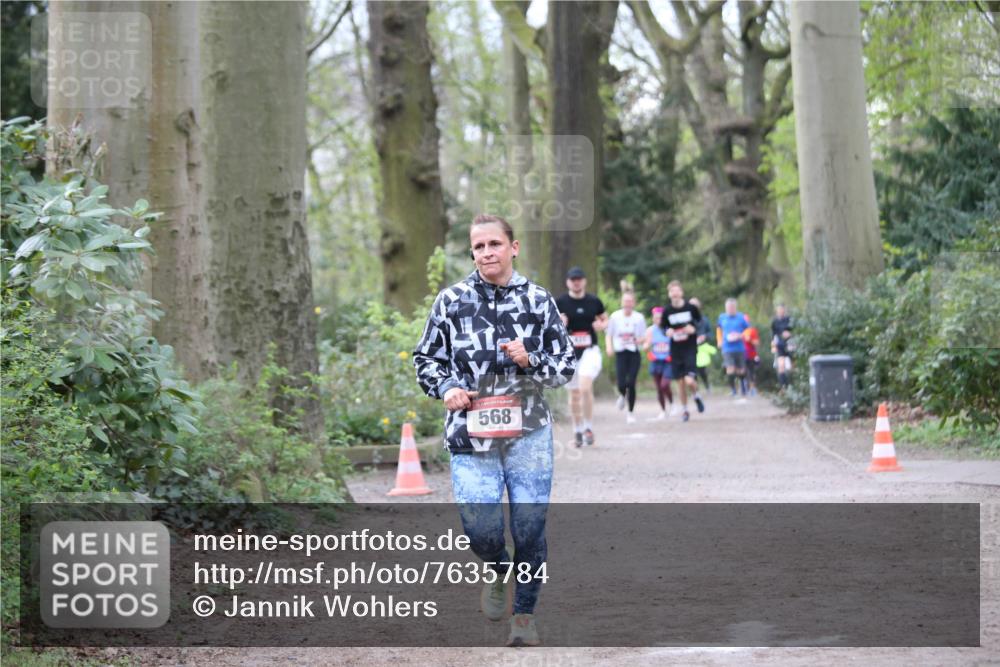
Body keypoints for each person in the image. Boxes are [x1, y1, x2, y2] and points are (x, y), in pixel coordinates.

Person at [413, 214, 577, 647]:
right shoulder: (451, 301)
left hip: (529, 433)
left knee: (529, 528)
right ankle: (499, 567)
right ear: (472, 253)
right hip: (471, 433)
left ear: (513, 247)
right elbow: (425, 359)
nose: (486, 253)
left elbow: (565, 367)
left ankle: (524, 617)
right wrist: (446, 387)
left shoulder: (538, 301)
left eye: (494, 244)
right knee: (480, 528)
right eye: (479, 246)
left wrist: (531, 359)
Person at [556, 267, 608, 446]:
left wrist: (602, 325)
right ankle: (577, 430)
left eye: (579, 279)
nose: (576, 282)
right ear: (568, 282)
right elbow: (549, 324)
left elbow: (604, 319)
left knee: (584, 388)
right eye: (573, 279)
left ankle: (588, 427)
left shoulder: (594, 301)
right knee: (574, 394)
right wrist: (559, 323)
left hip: (589, 350)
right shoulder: (560, 302)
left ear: (584, 281)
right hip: (568, 352)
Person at [661, 280, 705, 421]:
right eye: (672, 291)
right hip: (676, 350)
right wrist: (667, 332)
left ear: (681, 293)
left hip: (689, 348)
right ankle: (685, 410)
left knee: (689, 381)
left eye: (677, 291)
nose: (675, 293)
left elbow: (700, 323)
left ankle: (696, 395)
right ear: (669, 294)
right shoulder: (667, 311)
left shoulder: (691, 308)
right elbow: (663, 327)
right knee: (680, 383)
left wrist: (694, 329)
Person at [606, 290, 646, 424]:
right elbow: (609, 334)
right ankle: (622, 395)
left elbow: (643, 337)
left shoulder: (639, 318)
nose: (627, 304)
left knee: (631, 383)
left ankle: (630, 412)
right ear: (622, 302)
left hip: (634, 353)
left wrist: (638, 340)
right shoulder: (615, 316)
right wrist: (609, 347)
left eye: (630, 301)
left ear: (633, 303)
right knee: (621, 383)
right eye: (625, 301)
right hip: (620, 353)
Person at [643, 306, 674, 419]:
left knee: (664, 384)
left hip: (668, 361)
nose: (658, 320)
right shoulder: (650, 330)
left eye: (660, 318)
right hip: (656, 361)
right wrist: (646, 346)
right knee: (659, 388)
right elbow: (646, 345)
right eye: (656, 318)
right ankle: (663, 410)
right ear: (653, 319)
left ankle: (672, 403)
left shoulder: (669, 330)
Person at [716, 298, 750, 397]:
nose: (730, 309)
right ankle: (733, 390)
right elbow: (718, 329)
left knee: (741, 370)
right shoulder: (722, 317)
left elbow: (748, 330)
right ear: (725, 308)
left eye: (732, 307)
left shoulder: (741, 317)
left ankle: (743, 387)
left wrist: (741, 335)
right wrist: (719, 341)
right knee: (730, 368)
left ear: (735, 307)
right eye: (728, 307)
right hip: (727, 347)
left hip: (739, 347)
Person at [689, 297, 714, 391]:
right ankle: (696, 390)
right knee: (692, 370)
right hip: (689, 348)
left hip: (702, 348)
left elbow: (710, 334)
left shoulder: (704, 320)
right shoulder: (685, 320)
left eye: (695, 305)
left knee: (702, 370)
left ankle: (707, 385)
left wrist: (704, 336)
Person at [771, 304, 794, 390]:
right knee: (781, 366)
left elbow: (795, 331)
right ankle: (783, 387)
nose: (780, 311)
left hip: (790, 344)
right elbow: (773, 335)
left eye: (782, 310)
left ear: (784, 310)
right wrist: (773, 346)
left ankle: (791, 386)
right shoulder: (774, 322)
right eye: (779, 310)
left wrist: (790, 334)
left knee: (791, 367)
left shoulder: (789, 319)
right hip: (780, 345)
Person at [743, 324, 761, 396]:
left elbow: (757, 343)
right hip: (740, 355)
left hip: (751, 355)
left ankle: (752, 389)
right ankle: (744, 388)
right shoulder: (737, 331)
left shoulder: (752, 331)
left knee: (751, 372)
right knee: (742, 372)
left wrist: (750, 339)